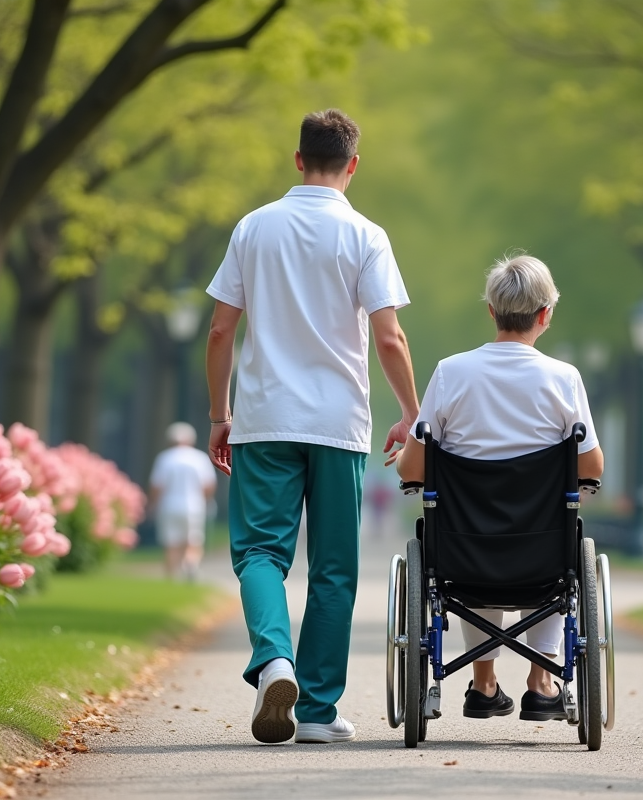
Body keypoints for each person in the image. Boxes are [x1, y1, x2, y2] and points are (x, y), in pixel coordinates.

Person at [205, 109, 420, 745]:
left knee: (260, 553)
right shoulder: (366, 235)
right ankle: (319, 712)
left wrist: (220, 414)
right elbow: (389, 336)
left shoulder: (253, 227)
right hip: (338, 423)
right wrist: (411, 414)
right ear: (353, 165)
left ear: (297, 159)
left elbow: (221, 329)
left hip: (265, 418)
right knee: (332, 567)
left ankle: (275, 660)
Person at [391, 253, 604, 723]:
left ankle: (483, 683)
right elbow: (591, 463)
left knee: (471, 535)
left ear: (490, 310)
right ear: (545, 314)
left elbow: (412, 465)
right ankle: (541, 680)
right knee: (557, 541)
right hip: (542, 548)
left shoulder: (451, 372)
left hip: (465, 549)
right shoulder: (563, 379)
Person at [149, 422, 217, 581]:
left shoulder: (165, 458)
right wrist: (207, 501)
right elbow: (208, 485)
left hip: (169, 505)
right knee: (193, 541)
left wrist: (153, 504)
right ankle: (190, 565)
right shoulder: (199, 458)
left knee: (171, 543)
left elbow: (157, 485)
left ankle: (172, 576)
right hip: (194, 505)